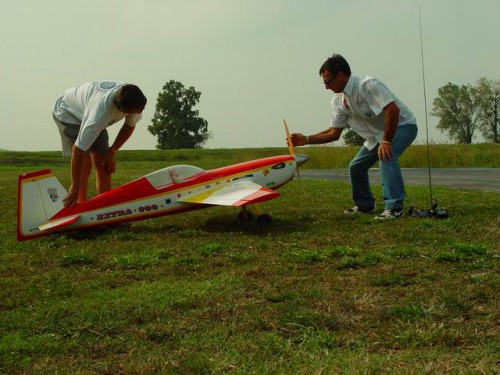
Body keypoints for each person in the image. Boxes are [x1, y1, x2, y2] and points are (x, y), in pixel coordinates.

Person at [291, 54, 418, 220]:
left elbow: (393, 110)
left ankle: (394, 208)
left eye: (328, 81)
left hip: (403, 126)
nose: (326, 87)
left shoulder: (368, 85)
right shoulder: (337, 101)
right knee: (356, 166)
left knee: (387, 157)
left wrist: (386, 142)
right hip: (377, 135)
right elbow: (334, 133)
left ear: (341, 75)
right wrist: (306, 139)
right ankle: (365, 205)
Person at [53, 80, 147, 208]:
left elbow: (129, 126)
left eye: (142, 108)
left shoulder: (134, 99)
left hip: (88, 107)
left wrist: (112, 151)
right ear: (123, 110)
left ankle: (105, 208)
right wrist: (75, 186)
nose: (141, 111)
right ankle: (80, 206)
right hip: (67, 111)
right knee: (85, 164)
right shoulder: (99, 115)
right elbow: (78, 150)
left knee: (104, 163)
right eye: (137, 110)